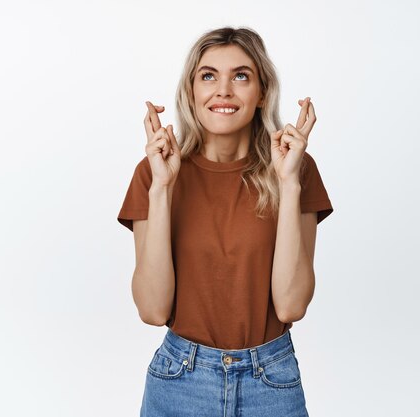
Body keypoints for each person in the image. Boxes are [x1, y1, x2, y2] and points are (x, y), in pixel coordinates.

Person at [117, 26, 333, 417]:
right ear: (191, 92)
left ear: (262, 91)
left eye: (241, 76)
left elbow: (291, 305)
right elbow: (151, 310)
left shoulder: (296, 170)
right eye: (208, 76)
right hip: (179, 381)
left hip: (271, 380)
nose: (224, 90)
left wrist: (287, 181)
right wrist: (163, 188)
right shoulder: (154, 174)